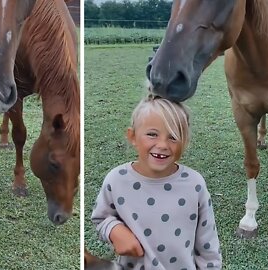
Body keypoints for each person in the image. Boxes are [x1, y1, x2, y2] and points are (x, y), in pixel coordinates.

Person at [91, 95, 222, 270]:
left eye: (173, 137)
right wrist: (114, 230)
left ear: (185, 142)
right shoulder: (116, 180)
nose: (162, 144)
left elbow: (208, 245)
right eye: (152, 134)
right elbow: (101, 218)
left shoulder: (194, 184)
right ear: (133, 136)